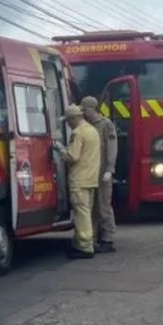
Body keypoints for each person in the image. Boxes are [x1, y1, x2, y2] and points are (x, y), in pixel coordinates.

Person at [54, 104, 101, 259]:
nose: (67, 123)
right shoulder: (92, 130)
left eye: (68, 120)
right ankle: (84, 242)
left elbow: (72, 156)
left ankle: (85, 247)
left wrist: (60, 148)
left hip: (79, 179)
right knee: (87, 211)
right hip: (91, 179)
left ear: (74, 118)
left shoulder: (78, 133)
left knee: (82, 214)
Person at [81, 96, 118, 253]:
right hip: (90, 173)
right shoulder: (85, 125)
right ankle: (93, 238)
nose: (84, 113)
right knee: (91, 208)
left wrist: (110, 168)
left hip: (102, 172)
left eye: (85, 109)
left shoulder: (106, 125)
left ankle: (108, 238)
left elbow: (112, 147)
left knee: (104, 206)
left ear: (92, 108)